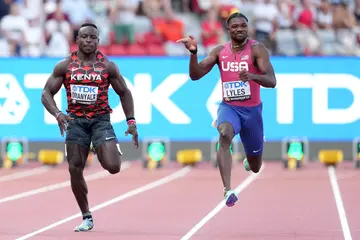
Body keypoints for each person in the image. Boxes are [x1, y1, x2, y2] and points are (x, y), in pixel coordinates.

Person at [41, 22, 139, 232]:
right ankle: (86, 216)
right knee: (75, 168)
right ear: (77, 39)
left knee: (113, 167)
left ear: (97, 41)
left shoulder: (108, 66)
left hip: (100, 121)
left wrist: (131, 121)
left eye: (92, 38)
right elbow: (45, 93)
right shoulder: (65, 66)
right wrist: (58, 114)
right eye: (84, 37)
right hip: (75, 122)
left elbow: (125, 93)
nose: (88, 41)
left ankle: (100, 145)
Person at [177, 12, 276, 207]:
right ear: (228, 29)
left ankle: (251, 156)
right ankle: (227, 189)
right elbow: (195, 75)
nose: (240, 29)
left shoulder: (257, 50)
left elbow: (272, 81)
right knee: (224, 133)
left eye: (243, 26)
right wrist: (193, 53)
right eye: (235, 26)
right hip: (229, 107)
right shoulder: (219, 51)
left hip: (252, 112)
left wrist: (253, 76)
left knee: (255, 167)